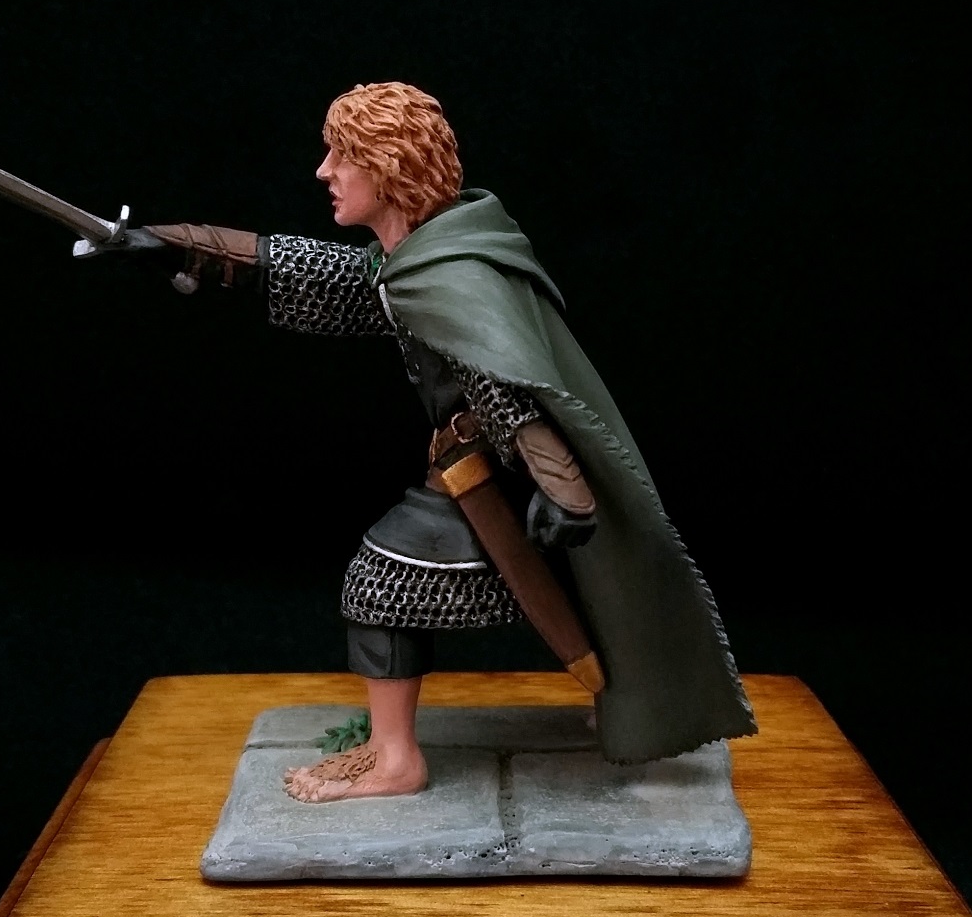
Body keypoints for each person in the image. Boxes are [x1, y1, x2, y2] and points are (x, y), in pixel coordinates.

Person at [117, 82, 755, 803]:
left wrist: (563, 492)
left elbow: (503, 384)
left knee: (381, 585)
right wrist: (181, 246)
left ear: (387, 166)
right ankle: (619, 706)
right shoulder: (415, 262)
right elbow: (328, 278)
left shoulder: (452, 276)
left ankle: (396, 761)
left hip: (502, 481)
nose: (324, 172)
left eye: (341, 156)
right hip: (474, 471)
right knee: (568, 593)